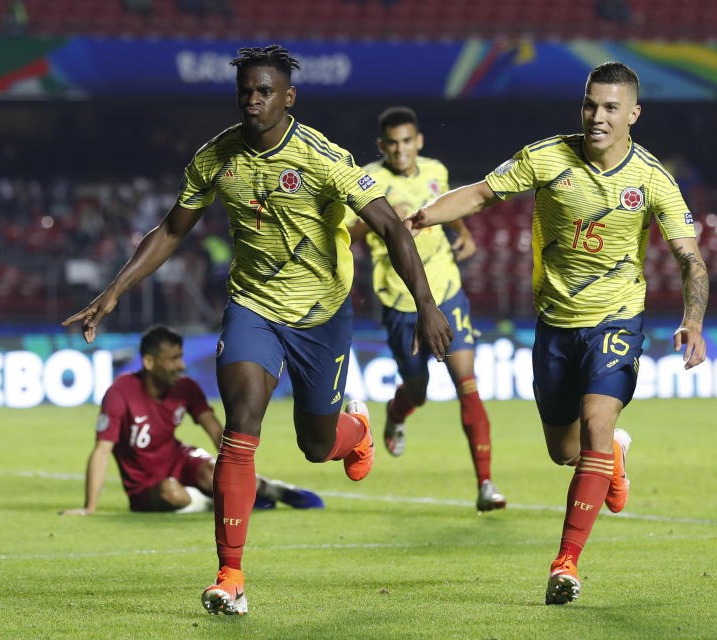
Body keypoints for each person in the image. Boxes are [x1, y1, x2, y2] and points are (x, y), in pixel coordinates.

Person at [62, 45, 452, 616]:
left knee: (317, 444)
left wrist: (427, 303)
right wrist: (113, 291)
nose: (253, 100)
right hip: (252, 308)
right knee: (241, 424)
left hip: (322, 314)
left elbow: (390, 224)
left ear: (287, 97)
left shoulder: (321, 156)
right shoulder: (215, 157)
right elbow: (172, 228)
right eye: (245, 91)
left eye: (265, 91)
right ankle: (230, 574)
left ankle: (357, 430)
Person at [407, 61, 708, 605]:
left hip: (616, 319)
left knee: (595, 423)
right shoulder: (546, 157)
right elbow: (479, 194)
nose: (597, 116)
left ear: (633, 114)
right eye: (591, 104)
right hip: (555, 323)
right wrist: (423, 217)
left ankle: (565, 563)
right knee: (564, 449)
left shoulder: (652, 179)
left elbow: (690, 259)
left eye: (611, 107)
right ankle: (611, 456)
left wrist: (693, 318)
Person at [345, 106, 505, 511]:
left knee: (466, 383)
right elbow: (346, 230)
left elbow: (450, 207)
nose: (400, 150)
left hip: (446, 290)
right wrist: (382, 221)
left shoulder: (436, 170)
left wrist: (464, 232)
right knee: (417, 389)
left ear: (419, 141)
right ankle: (398, 414)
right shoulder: (367, 179)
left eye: (407, 141)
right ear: (382, 146)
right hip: (401, 300)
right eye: (392, 144)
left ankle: (486, 484)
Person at [59, 325, 325, 516]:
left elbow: (213, 428)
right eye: (173, 359)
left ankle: (276, 490)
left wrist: (236, 470)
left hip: (181, 460)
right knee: (171, 493)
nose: (181, 365)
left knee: (213, 470)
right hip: (146, 485)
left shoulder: (185, 388)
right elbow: (102, 450)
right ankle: (214, 504)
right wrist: (89, 507)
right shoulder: (120, 392)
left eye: (181, 356)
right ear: (149, 362)